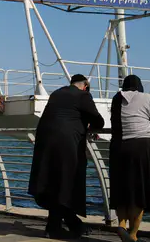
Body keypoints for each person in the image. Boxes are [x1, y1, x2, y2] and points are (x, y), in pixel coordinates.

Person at [28, 74, 105, 239]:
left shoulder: (57, 93)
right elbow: (98, 120)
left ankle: (66, 223)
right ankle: (61, 225)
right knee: (67, 181)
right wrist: (91, 126)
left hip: (45, 141)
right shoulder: (83, 95)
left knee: (55, 182)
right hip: (67, 143)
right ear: (85, 86)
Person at [109, 75, 150, 242]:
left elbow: (115, 122)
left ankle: (121, 225)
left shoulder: (117, 98)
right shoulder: (146, 98)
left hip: (119, 148)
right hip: (141, 148)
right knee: (140, 191)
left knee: (121, 188)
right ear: (139, 86)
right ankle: (133, 234)